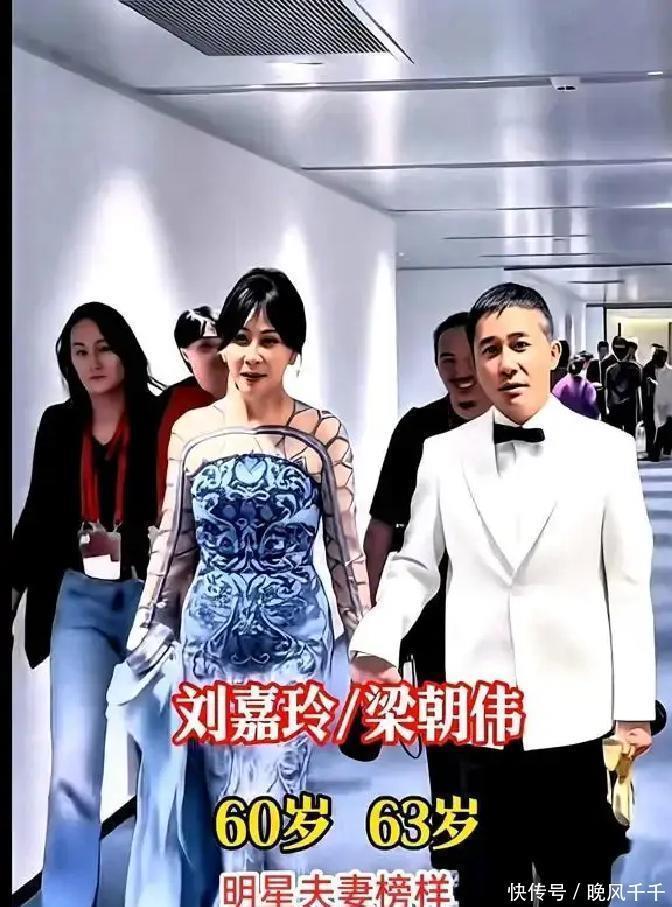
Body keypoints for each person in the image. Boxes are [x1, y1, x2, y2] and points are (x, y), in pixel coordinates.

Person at [348, 283, 656, 907]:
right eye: (490, 349)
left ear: (553, 353)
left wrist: (633, 707)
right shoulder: (442, 453)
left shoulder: (608, 451)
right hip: (478, 714)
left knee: (576, 883)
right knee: (485, 884)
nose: (505, 362)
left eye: (520, 345)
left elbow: (627, 585)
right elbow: (415, 565)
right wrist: (377, 641)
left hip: (576, 712)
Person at [107, 268, 372, 905]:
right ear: (223, 346)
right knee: (228, 812)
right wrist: (144, 640)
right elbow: (174, 547)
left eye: (270, 340)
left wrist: (367, 651)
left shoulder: (323, 435)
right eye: (241, 338)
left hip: (295, 646)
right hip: (210, 648)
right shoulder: (192, 432)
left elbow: (345, 553)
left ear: (293, 351)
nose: (253, 354)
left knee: (270, 805)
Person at [11, 302, 161, 907]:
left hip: (152, 600)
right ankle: (67, 898)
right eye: (80, 352)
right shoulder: (58, 424)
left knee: (163, 760)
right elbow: (36, 518)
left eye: (103, 348)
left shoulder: (158, 417)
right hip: (79, 599)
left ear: (125, 351)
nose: (93, 362)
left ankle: (164, 890)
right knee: (72, 769)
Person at [155, 306, 229, 509]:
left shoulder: (253, 398)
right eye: (205, 346)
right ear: (185, 354)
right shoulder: (170, 404)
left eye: (223, 345)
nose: (218, 354)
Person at [605, 335, 641, 436]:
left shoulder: (610, 370)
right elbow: (639, 392)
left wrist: (607, 409)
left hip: (614, 409)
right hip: (630, 409)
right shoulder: (636, 369)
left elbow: (607, 393)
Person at [642, 346, 668, 458]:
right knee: (652, 427)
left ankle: (655, 449)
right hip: (651, 401)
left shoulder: (657, 368)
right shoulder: (649, 368)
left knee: (656, 427)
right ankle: (653, 450)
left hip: (656, 401)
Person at [586, 340, 611, 420]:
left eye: (605, 352)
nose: (603, 354)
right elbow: (588, 379)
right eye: (602, 352)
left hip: (607, 394)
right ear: (598, 351)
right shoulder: (593, 364)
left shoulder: (610, 365)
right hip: (596, 393)